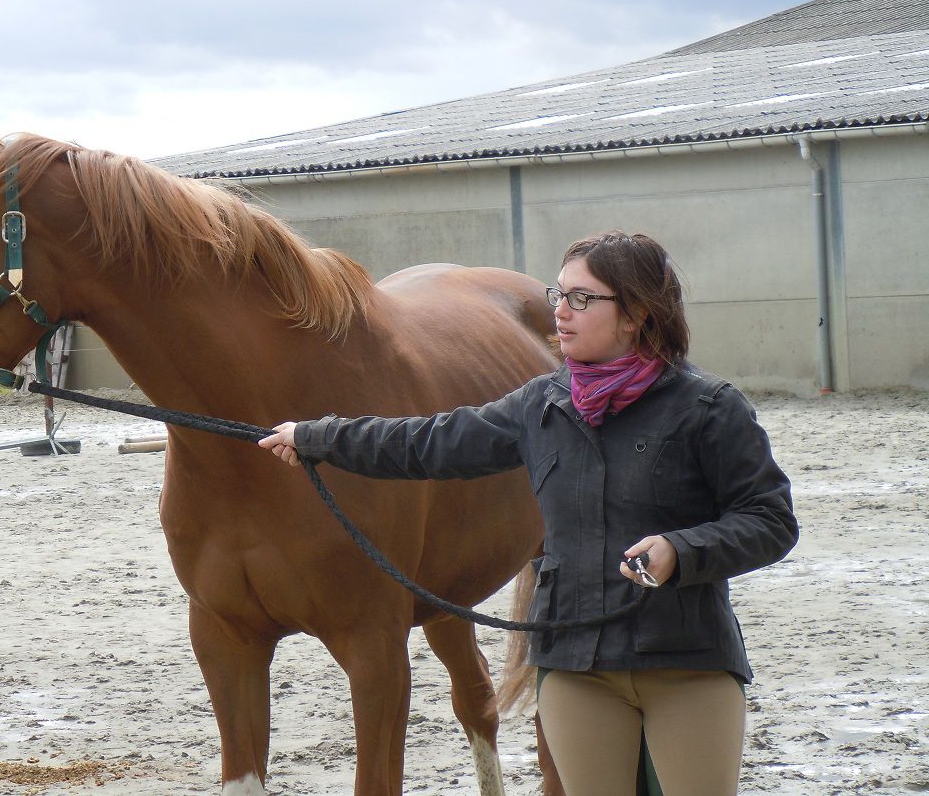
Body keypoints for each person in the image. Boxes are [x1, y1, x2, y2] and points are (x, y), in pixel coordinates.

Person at [258, 231, 798, 795]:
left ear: (637, 313)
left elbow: (771, 520)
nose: (560, 311)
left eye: (581, 299)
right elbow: (428, 442)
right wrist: (317, 438)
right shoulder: (540, 404)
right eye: (558, 294)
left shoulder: (710, 408)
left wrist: (681, 551)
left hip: (686, 661)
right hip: (575, 667)